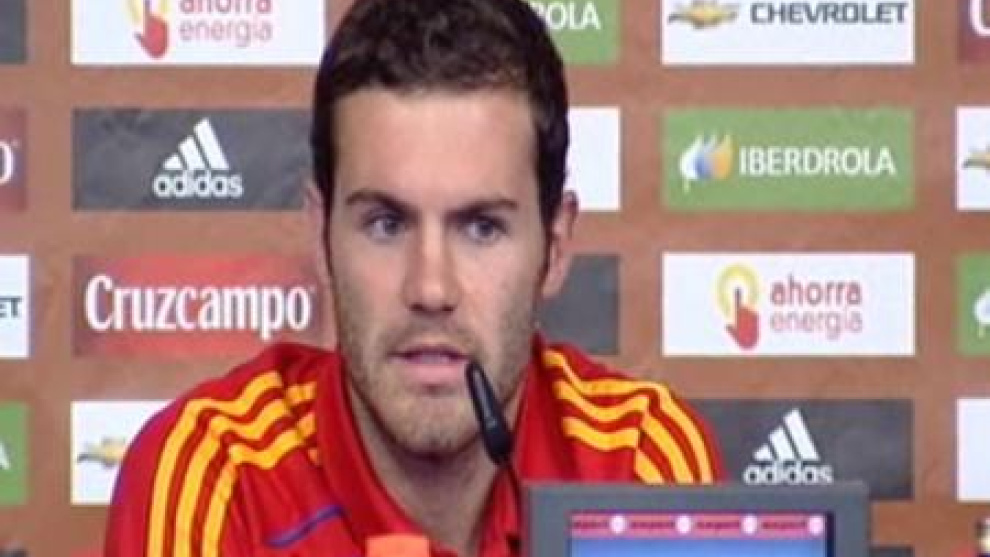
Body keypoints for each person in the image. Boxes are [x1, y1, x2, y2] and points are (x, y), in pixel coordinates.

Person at [104, 0, 723, 555]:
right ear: (321, 237)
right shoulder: (217, 479)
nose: (430, 289)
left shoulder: (638, 465)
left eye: (481, 228)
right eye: (386, 224)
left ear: (555, 248)